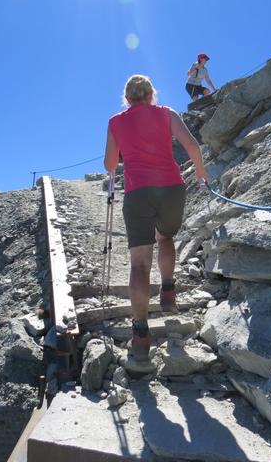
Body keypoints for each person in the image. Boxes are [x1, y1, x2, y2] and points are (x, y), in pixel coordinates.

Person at [104, 74, 209, 361]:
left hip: (138, 192)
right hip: (172, 188)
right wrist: (201, 174)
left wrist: (125, 150)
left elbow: (110, 164)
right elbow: (192, 146)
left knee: (139, 263)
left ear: (127, 99)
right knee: (165, 238)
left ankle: (140, 334)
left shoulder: (116, 121)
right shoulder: (167, 114)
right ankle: (168, 290)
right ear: (151, 95)